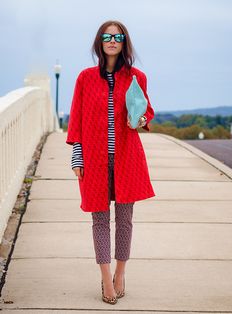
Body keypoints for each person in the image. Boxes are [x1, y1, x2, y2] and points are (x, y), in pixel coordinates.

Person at [66, 20, 155, 305]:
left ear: (124, 42)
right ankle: (105, 278)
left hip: (127, 157)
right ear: (99, 42)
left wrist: (141, 120)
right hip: (94, 158)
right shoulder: (85, 78)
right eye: (107, 36)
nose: (112, 40)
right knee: (99, 218)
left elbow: (146, 111)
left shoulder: (136, 77)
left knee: (125, 220)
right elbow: (76, 120)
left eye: (118, 36)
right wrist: (77, 156)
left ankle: (120, 273)